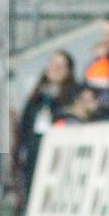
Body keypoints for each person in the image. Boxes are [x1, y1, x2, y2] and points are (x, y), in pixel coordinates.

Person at [14, 50, 78, 204]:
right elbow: (25, 125)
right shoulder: (37, 96)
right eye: (52, 64)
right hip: (35, 154)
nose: (54, 69)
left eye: (60, 66)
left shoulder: (73, 95)